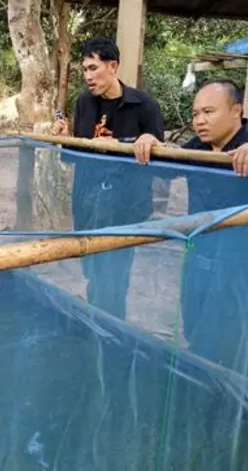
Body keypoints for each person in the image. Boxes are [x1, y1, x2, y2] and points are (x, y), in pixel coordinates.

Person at [135, 79, 248, 373]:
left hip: (238, 260)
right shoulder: (197, 147)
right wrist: (149, 143)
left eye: (208, 112)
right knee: (194, 322)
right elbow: (164, 166)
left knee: (231, 336)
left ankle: (229, 400)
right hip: (198, 249)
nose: (199, 121)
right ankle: (199, 387)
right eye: (195, 114)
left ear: (236, 111)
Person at [51, 36, 165, 321]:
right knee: (93, 272)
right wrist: (65, 139)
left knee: (113, 279)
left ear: (112, 66)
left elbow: (162, 164)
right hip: (88, 204)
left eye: (93, 68)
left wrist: (150, 139)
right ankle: (95, 326)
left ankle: (110, 336)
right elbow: (76, 156)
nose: (88, 76)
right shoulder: (84, 104)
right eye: (85, 70)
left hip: (124, 209)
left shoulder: (144, 107)